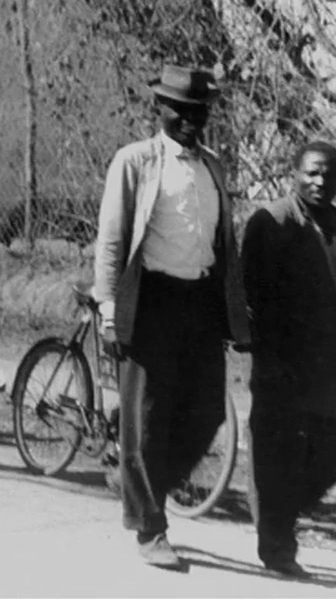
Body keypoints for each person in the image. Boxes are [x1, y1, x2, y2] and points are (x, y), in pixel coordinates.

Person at [93, 65, 249, 570]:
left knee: (207, 412)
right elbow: (112, 240)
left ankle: (140, 483)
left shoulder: (213, 167)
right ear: (158, 108)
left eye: (198, 111)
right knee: (146, 420)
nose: (189, 120)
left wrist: (233, 310)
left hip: (199, 302)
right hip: (152, 300)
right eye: (179, 110)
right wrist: (109, 309)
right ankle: (149, 527)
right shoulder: (135, 161)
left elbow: (223, 242)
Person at [241, 141, 336, 579]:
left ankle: (281, 515)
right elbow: (252, 296)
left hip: (324, 364)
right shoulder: (271, 222)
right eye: (311, 172)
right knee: (276, 453)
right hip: (280, 361)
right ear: (294, 173)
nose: (320, 182)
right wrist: (268, 357)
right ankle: (277, 548)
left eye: (328, 174)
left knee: (325, 451)